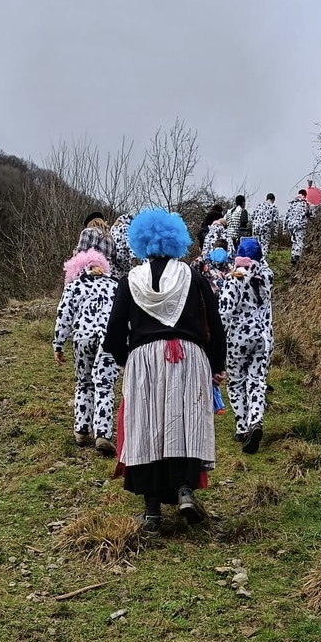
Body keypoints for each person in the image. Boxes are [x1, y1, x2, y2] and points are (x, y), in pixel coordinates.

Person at [103, 207, 227, 534]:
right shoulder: (194, 278)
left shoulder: (130, 281)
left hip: (143, 359)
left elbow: (113, 334)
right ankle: (185, 490)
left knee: (147, 428)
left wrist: (128, 359)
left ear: (141, 242)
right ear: (176, 240)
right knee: (184, 422)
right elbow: (215, 324)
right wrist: (216, 365)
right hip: (189, 356)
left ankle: (152, 514)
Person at [53, 249, 120, 454]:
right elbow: (123, 315)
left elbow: (64, 315)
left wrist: (59, 344)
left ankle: (81, 430)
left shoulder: (74, 286)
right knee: (105, 385)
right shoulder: (115, 286)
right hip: (108, 340)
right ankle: (102, 434)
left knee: (84, 383)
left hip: (82, 338)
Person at [218, 238, 273, 454]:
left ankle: (242, 427)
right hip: (263, 337)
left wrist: (217, 342)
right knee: (257, 381)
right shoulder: (266, 277)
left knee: (236, 382)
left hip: (238, 338)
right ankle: (255, 421)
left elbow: (224, 313)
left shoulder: (234, 279)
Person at [284, 190, 312, 265]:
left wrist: (285, 228)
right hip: (300, 225)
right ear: (305, 195)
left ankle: (293, 256)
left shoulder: (292, 203)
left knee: (294, 241)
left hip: (291, 225)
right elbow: (310, 214)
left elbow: (286, 216)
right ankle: (297, 256)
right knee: (299, 241)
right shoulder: (306, 203)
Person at [250, 193, 281, 258]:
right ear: (273, 200)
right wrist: (275, 233)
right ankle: (263, 260)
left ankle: (255, 260)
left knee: (256, 244)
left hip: (255, 227)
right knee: (264, 245)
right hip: (265, 227)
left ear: (266, 198)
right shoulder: (274, 208)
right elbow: (276, 222)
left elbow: (252, 216)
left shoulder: (259, 206)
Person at [109, 212, 136, 280]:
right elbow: (129, 243)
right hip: (125, 256)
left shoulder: (112, 229)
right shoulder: (126, 227)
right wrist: (134, 257)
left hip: (114, 256)